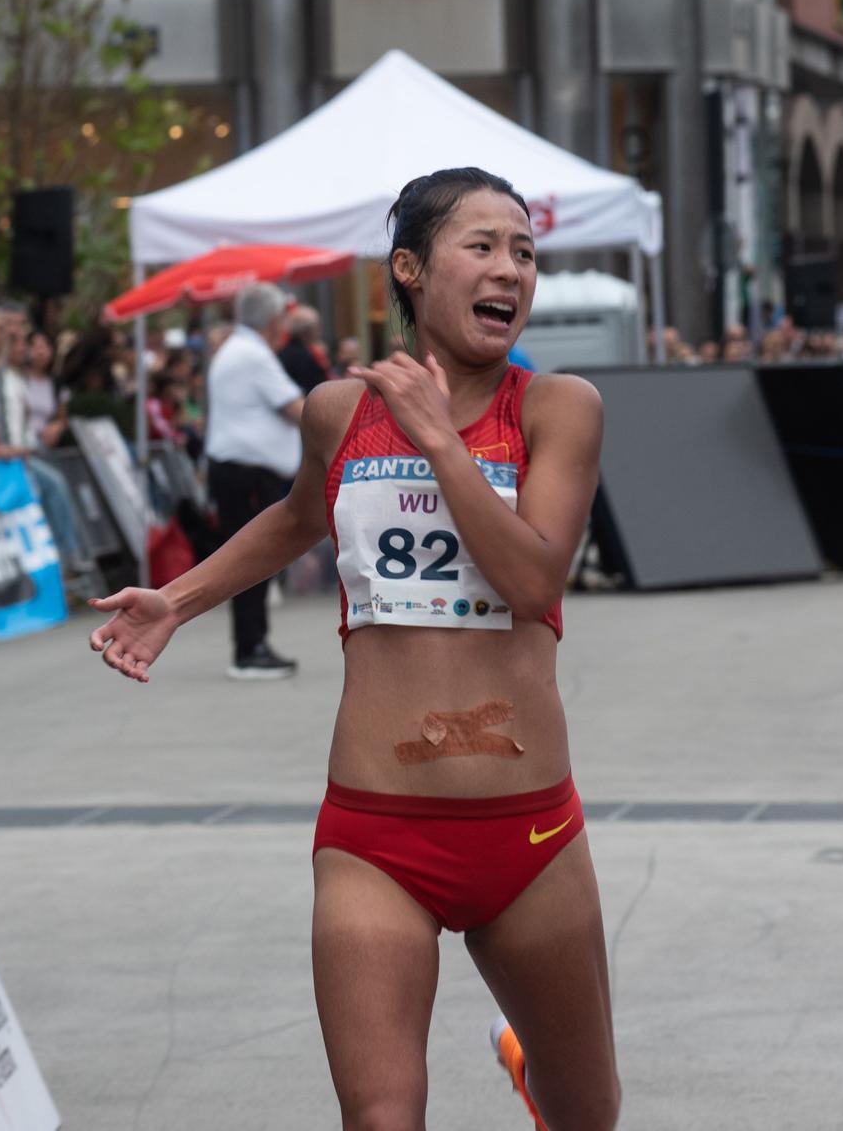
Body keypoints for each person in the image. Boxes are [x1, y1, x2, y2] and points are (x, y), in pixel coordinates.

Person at [87, 168, 616, 1131]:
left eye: (525, 252)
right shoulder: (338, 411)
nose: (512, 270)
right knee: (379, 1117)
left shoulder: (557, 408)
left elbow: (536, 582)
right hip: (376, 833)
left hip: (528, 832)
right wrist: (178, 599)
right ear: (409, 270)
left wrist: (442, 445)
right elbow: (295, 519)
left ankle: (535, 1074)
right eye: (484, 246)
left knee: (590, 1114)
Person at [203, 283, 308, 679]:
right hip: (244, 473)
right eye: (282, 315)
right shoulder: (251, 354)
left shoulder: (242, 350)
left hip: (240, 470)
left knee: (251, 560)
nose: (284, 324)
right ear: (271, 319)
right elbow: (295, 408)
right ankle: (249, 649)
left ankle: (252, 645)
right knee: (252, 561)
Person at [279, 303, 331, 394]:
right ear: (307, 331)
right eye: (317, 328)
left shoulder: (285, 351)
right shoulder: (301, 357)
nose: (319, 332)